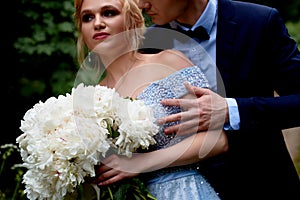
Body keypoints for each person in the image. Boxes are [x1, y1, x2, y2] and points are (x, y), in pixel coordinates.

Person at [136, 0, 300, 199]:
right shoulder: (147, 42)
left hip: (263, 185)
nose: (141, 4)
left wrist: (231, 111)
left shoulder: (258, 21)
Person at [73, 0, 228, 199]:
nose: (98, 23)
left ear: (132, 19)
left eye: (109, 13)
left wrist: (140, 163)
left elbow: (217, 140)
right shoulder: (91, 98)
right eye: (88, 17)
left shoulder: (169, 62)